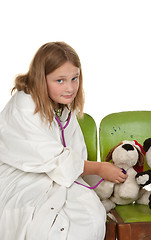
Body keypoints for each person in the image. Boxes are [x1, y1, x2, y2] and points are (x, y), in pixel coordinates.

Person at [0, 41, 127, 240]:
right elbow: (53, 159)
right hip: (23, 177)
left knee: (91, 217)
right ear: (42, 79)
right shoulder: (24, 105)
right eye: (60, 80)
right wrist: (100, 169)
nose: (70, 88)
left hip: (61, 176)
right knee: (42, 225)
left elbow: (74, 155)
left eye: (74, 78)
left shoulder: (62, 107)